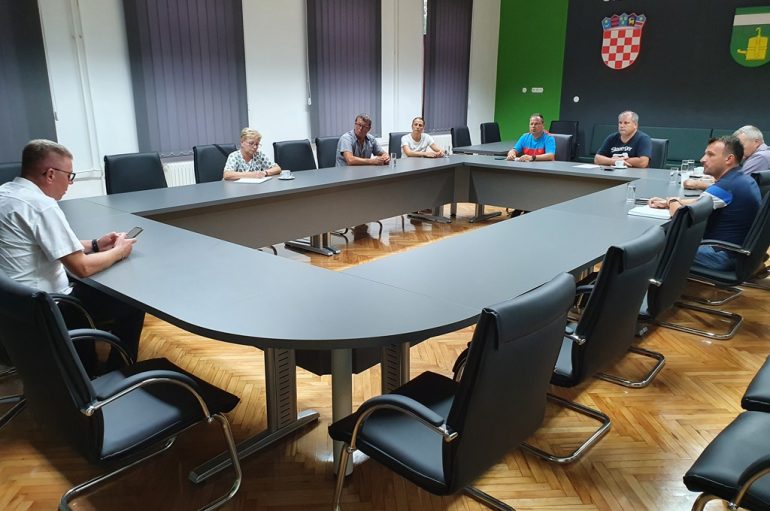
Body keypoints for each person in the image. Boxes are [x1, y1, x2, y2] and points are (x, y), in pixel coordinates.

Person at [0, 139, 145, 371]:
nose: (70, 183)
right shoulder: (41, 205)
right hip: (50, 309)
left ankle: (86, 359)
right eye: (69, 176)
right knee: (132, 303)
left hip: (12, 308)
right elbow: (82, 267)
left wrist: (96, 244)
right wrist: (119, 251)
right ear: (50, 174)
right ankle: (116, 373)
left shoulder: (7, 194)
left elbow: (42, 244)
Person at [648, 136, 760, 271]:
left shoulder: (726, 185)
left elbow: (680, 216)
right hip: (737, 251)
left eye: (710, 155)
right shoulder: (740, 179)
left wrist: (672, 201)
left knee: (652, 249)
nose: (702, 159)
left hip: (720, 255)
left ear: (729, 159)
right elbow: (702, 202)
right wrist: (670, 202)